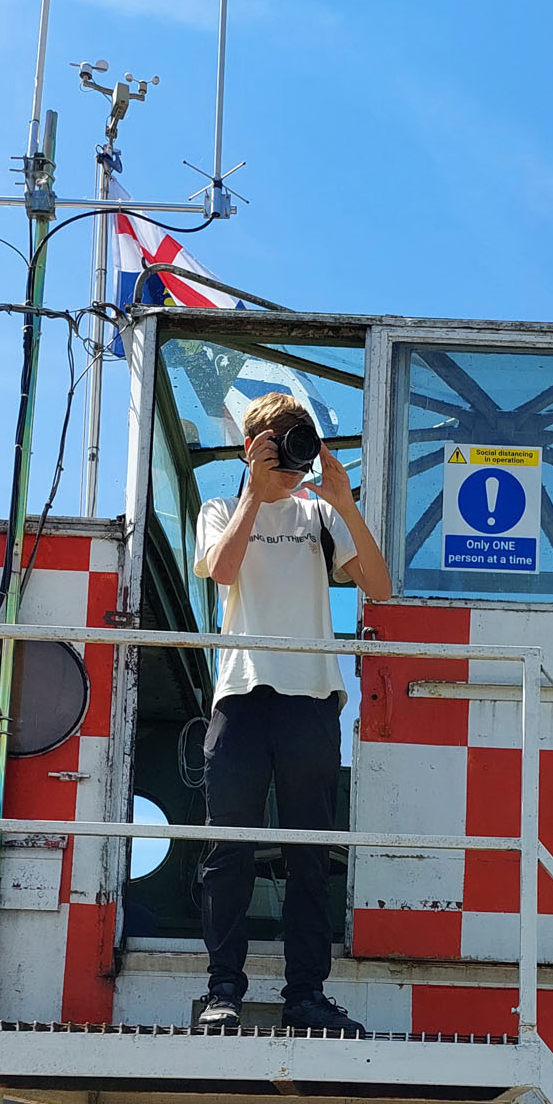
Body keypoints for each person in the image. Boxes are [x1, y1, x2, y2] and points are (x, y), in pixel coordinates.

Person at [192, 391, 392, 1038]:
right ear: (253, 446)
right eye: (278, 441)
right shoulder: (220, 508)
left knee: (310, 854)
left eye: (297, 441)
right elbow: (222, 572)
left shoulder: (319, 517)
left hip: (311, 697)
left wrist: (343, 502)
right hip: (242, 697)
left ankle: (306, 994)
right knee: (229, 852)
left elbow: (380, 588)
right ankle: (222, 990)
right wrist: (256, 490)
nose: (290, 455)